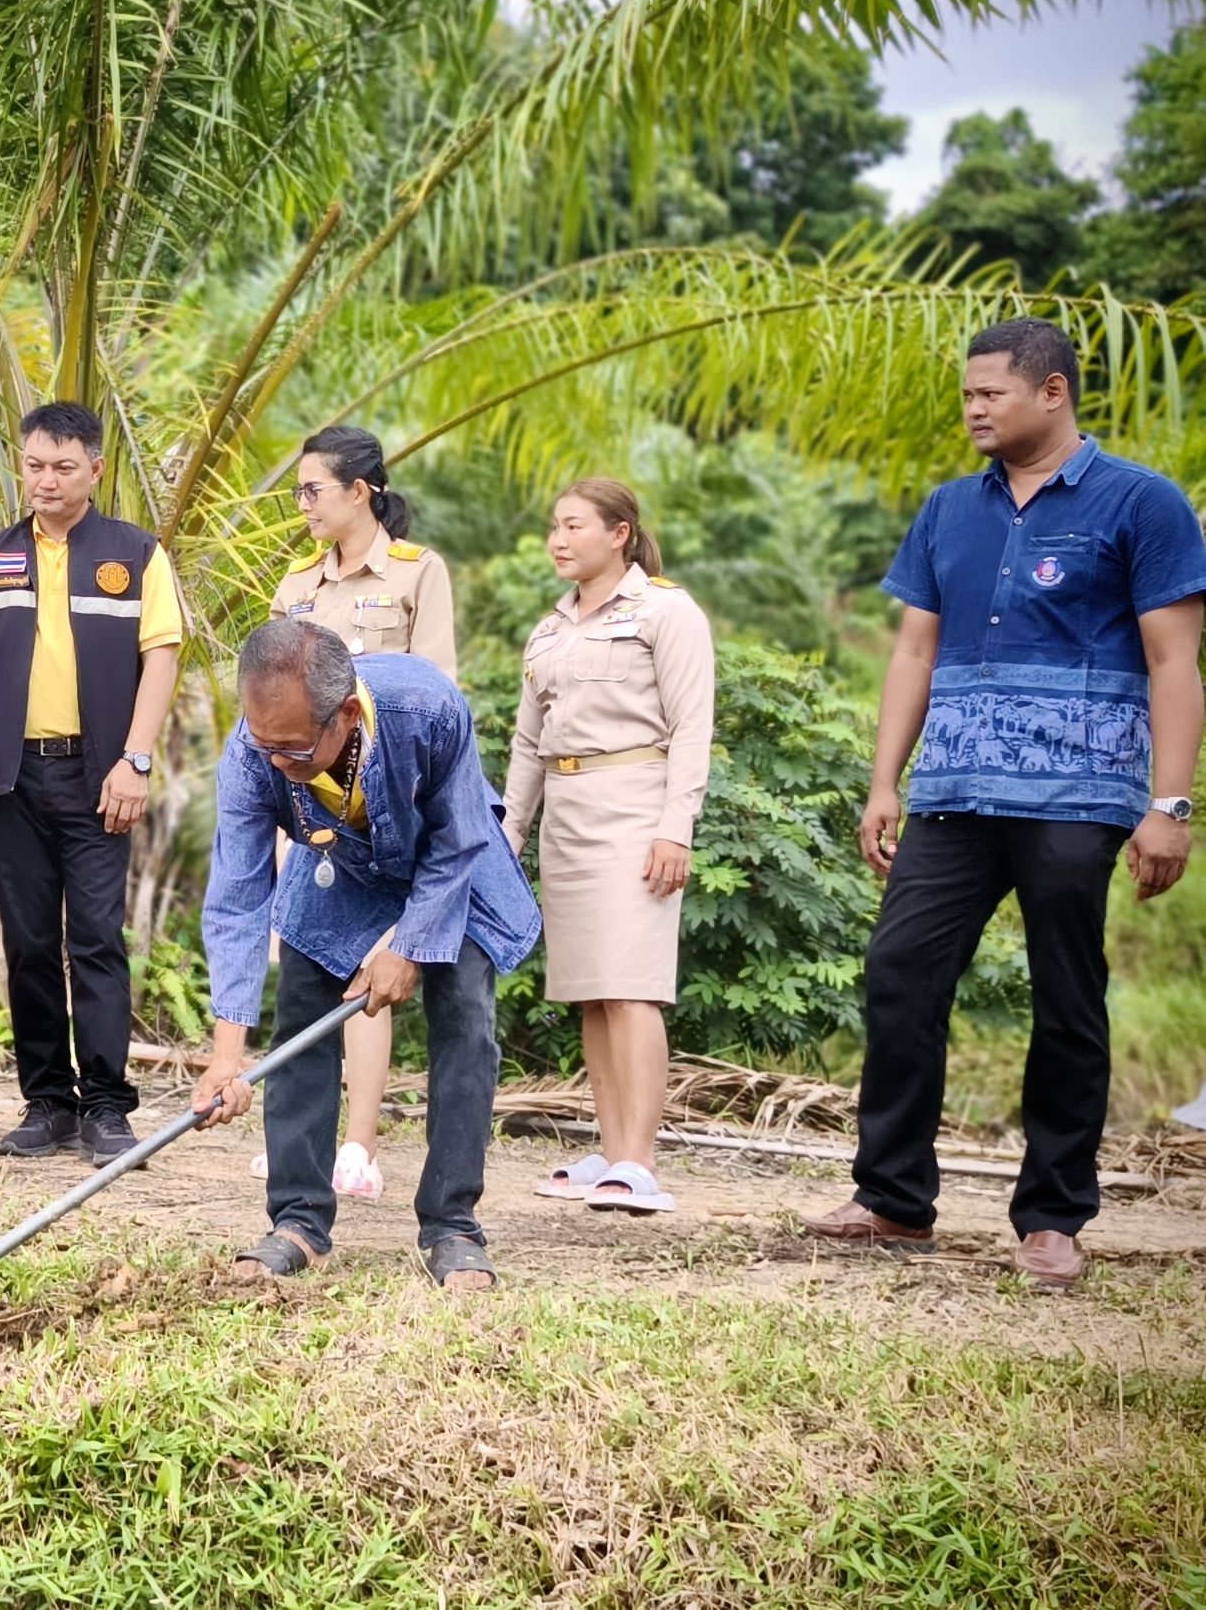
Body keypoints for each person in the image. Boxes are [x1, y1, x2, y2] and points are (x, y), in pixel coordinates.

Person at [811, 317, 1204, 1288]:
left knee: (1066, 995)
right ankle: (894, 1198)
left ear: (1053, 393)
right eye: (967, 395)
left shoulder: (1141, 504)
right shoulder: (948, 510)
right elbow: (913, 651)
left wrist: (1173, 805)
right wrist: (883, 781)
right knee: (901, 972)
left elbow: (1175, 660)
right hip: (954, 789)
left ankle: (1053, 1215)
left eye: (990, 394)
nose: (972, 409)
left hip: (1080, 793)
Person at [195, 621, 539, 1287]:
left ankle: (452, 1225)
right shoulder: (255, 754)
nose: (274, 761)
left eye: (292, 749)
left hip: (446, 861)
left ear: (345, 714)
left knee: (466, 1010)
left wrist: (409, 946)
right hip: (336, 864)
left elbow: (460, 838)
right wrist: (227, 1053)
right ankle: (298, 1222)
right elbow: (238, 899)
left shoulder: (427, 707)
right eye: (262, 742)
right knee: (301, 1004)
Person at [0, 402, 185, 1168]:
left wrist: (135, 760)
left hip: (100, 776)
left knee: (98, 938)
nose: (46, 479)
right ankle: (47, 1103)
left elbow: (162, 657)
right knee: (31, 941)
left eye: (63, 466)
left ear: (95, 470)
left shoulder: (136, 554)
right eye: (34, 464)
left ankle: (108, 1106)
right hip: (9, 776)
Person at [501, 480, 715, 1217]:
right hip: (567, 812)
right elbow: (528, 742)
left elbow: (691, 725)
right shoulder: (550, 628)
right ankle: (610, 1144)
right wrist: (511, 834)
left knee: (633, 985)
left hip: (634, 806)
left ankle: (640, 1158)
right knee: (590, 990)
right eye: (553, 526)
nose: (558, 539)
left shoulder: (665, 611)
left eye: (574, 525)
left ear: (619, 532)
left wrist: (674, 825)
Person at [262, 422, 459, 1201]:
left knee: (366, 970)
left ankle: (358, 1144)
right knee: (305, 963)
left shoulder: (417, 573)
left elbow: (437, 690)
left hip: (384, 810)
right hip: (307, 803)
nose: (303, 503)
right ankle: (300, 1136)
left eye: (314, 489)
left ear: (361, 491)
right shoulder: (298, 583)